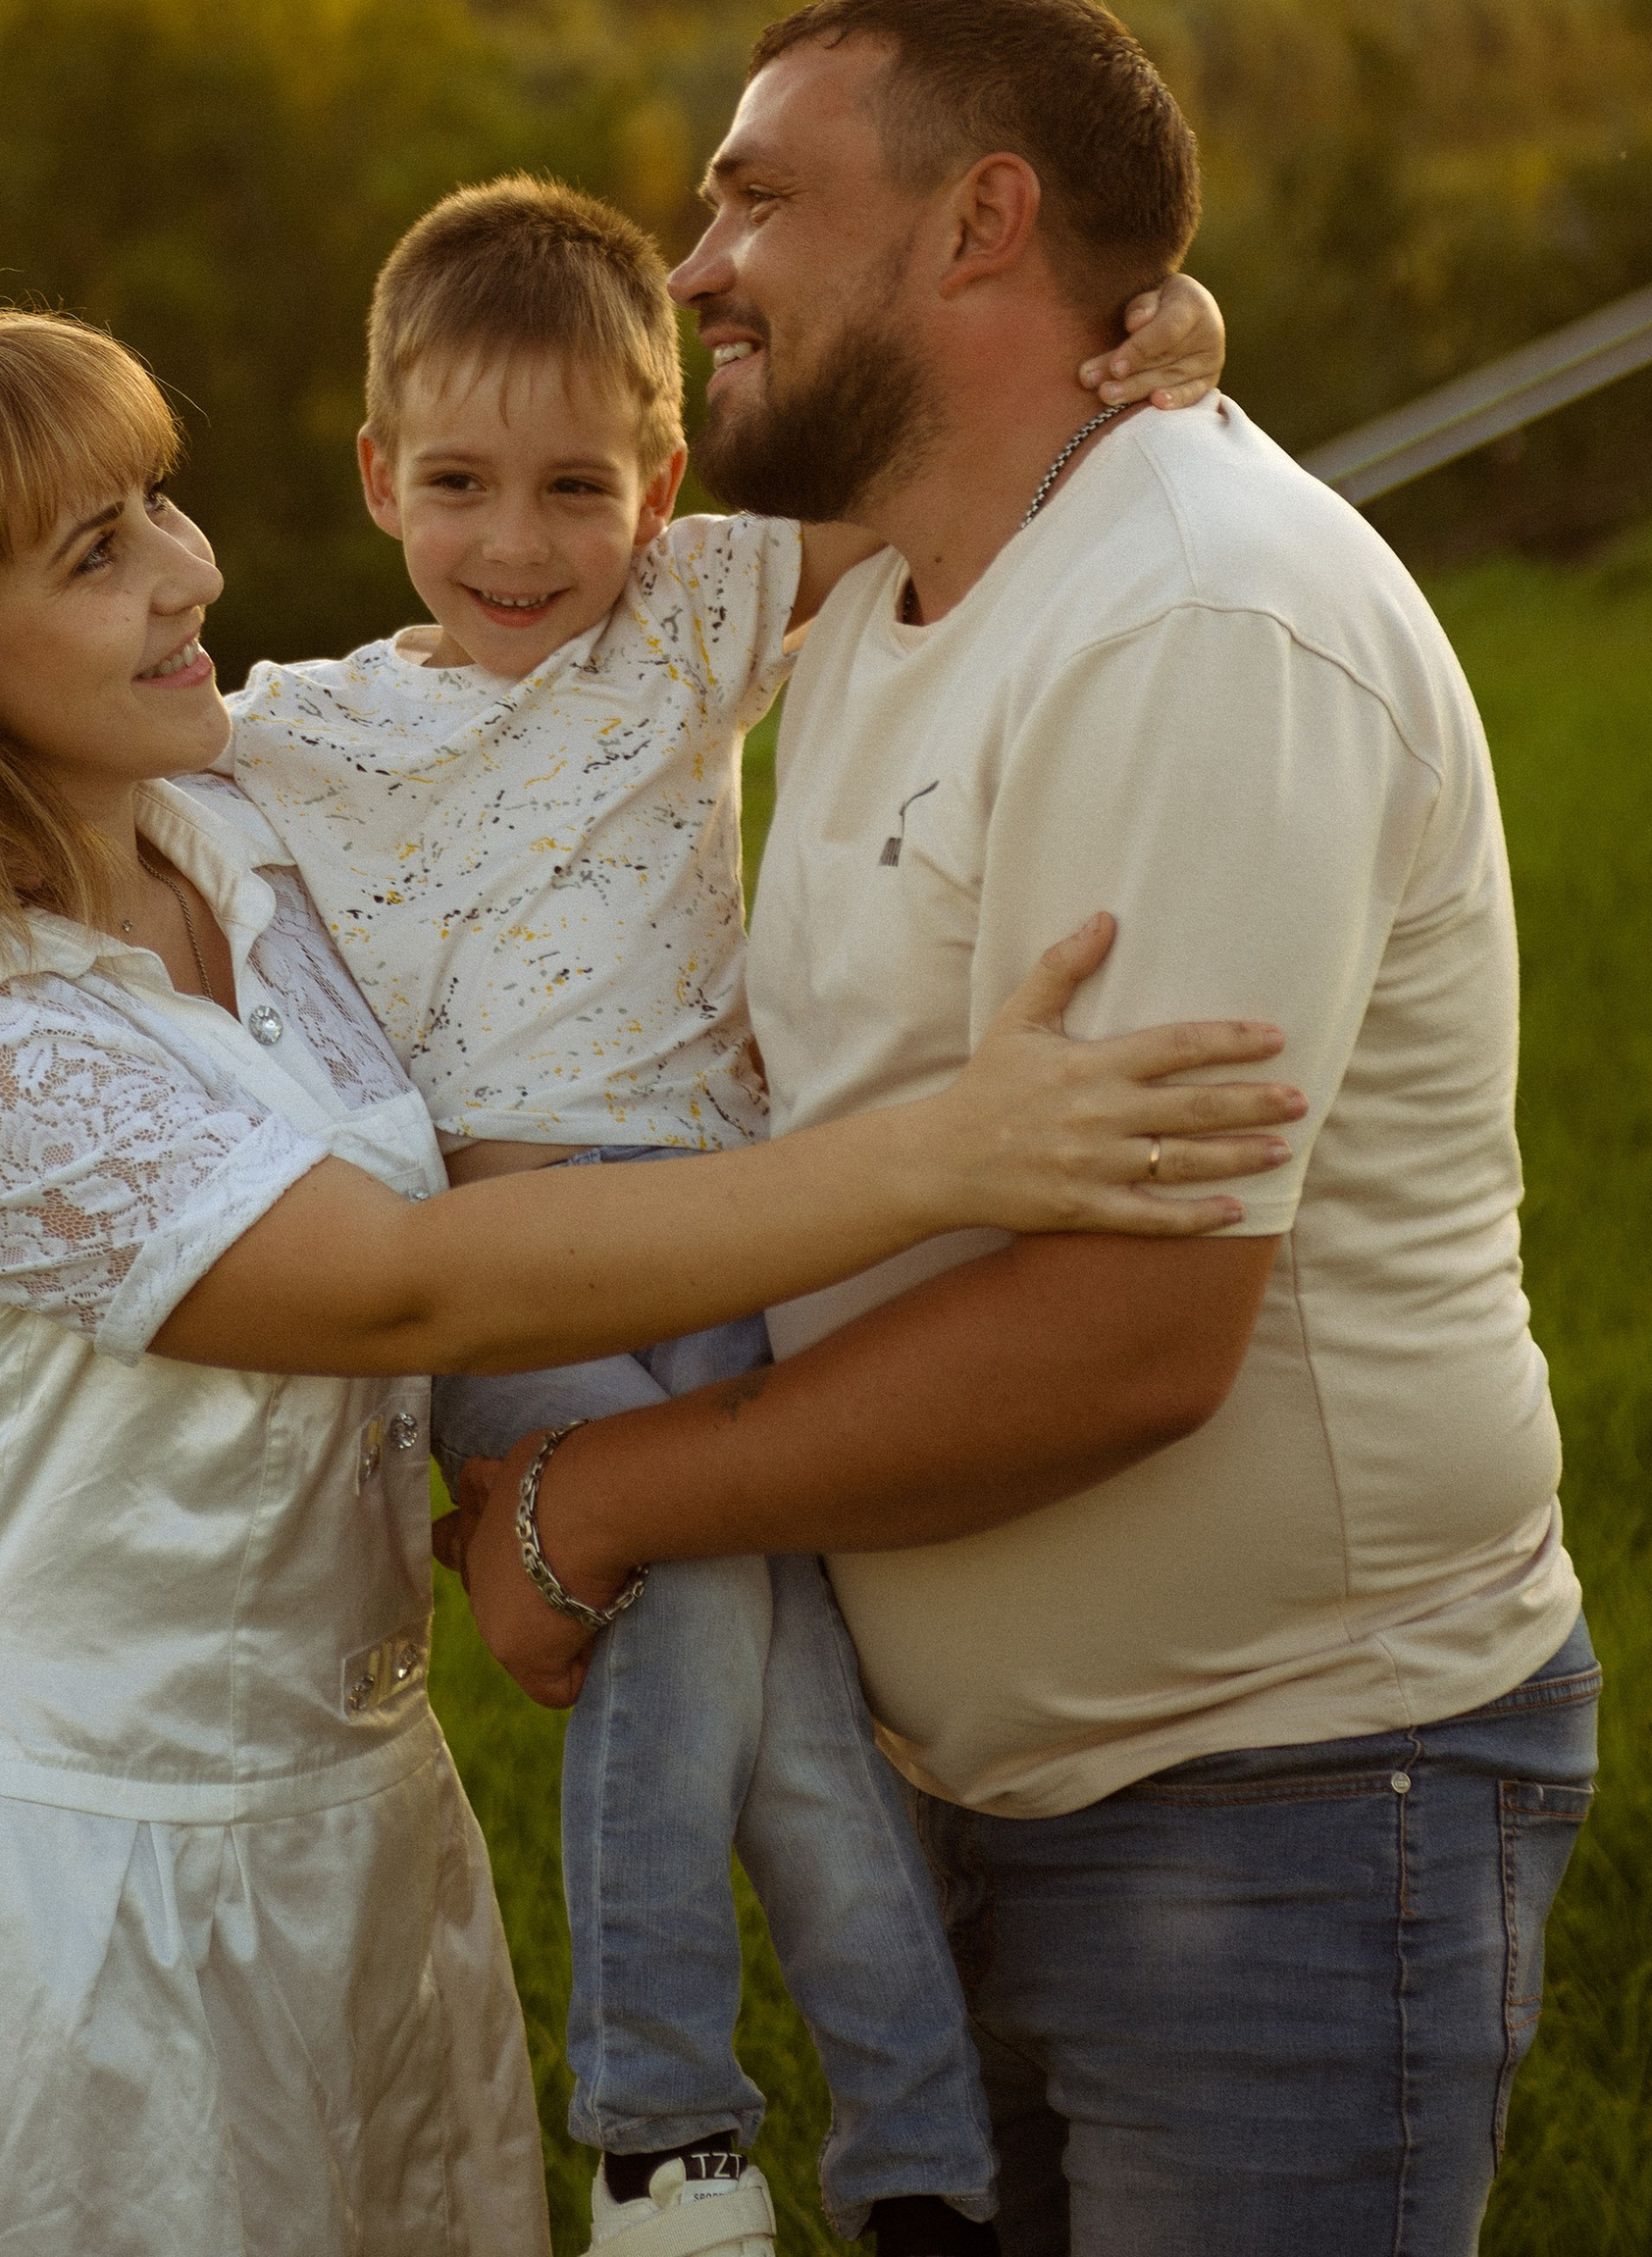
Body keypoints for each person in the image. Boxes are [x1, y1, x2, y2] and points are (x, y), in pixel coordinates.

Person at [0, 295, 1301, 2257]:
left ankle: (868, 2146)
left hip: (356, 1830)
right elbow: (403, 1290)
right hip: (68, 1899)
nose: (189, 565)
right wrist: (936, 1157)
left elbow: (552, 800)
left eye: (157, 501)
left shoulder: (235, 835)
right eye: (91, 553)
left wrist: (1082, 354)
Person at [448, 0, 1599, 2257]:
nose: (689, 271)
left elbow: (1123, 1334)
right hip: (978, 1794)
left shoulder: (1190, 618)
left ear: (980, 222)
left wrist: (595, 1497)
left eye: (755, 197)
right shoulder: (875, 577)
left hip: (1275, 1794)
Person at [226, 180, 1254, 2252]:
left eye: (572, 487)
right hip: (517, 1279)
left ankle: (915, 2164)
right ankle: (664, 2127)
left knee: (802, 1715)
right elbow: (57, 753)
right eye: (455, 484)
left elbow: (993, 452)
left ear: (661, 478)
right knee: (688, 1603)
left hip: (740, 1242)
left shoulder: (694, 607)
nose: (516, 545)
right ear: (371, 476)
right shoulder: (301, 730)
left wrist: (1162, 348)